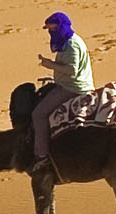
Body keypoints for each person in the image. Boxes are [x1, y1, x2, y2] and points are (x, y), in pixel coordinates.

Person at [31, 11, 93, 163]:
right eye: (49, 29)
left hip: (73, 88)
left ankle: (41, 156)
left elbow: (72, 70)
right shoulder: (67, 42)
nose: (51, 32)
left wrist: (49, 65)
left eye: (53, 28)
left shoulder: (71, 45)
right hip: (69, 84)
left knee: (38, 114)